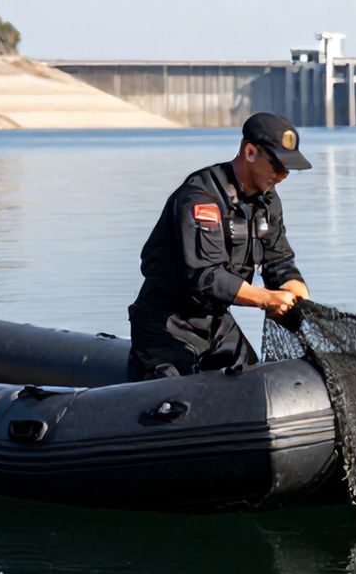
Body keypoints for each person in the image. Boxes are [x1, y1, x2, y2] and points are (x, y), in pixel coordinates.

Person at [127, 112, 312, 381]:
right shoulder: (201, 198)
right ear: (250, 153)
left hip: (215, 320)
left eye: (288, 168)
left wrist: (297, 293)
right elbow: (206, 276)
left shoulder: (268, 202)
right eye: (277, 166)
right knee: (174, 398)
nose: (283, 175)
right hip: (166, 322)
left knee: (254, 383)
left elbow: (279, 261)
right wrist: (265, 299)